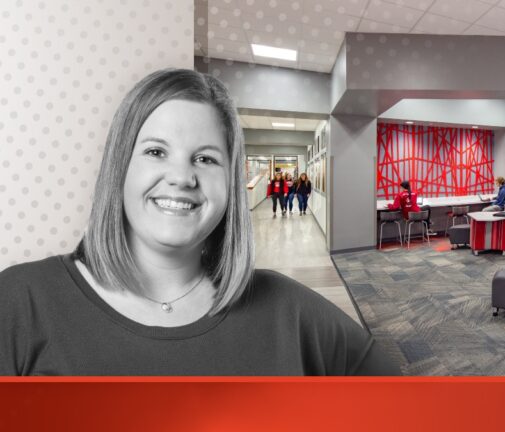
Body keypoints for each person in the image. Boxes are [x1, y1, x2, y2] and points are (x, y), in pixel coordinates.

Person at [0, 69, 399, 376]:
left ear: (228, 180)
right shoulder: (20, 302)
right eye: (156, 151)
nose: (182, 177)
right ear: (119, 166)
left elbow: (404, 403)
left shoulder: (288, 311)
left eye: (206, 159)